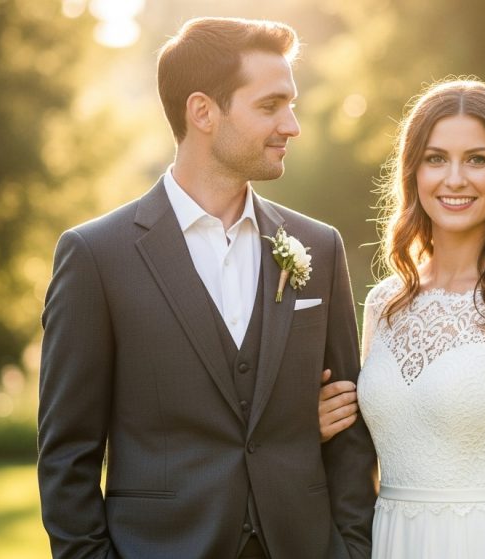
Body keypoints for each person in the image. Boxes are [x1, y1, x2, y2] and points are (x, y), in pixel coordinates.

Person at [38, 17, 377, 559]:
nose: (291, 125)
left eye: (290, 104)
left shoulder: (319, 244)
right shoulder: (96, 256)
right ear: (202, 112)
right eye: (269, 106)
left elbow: (350, 434)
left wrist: (351, 549)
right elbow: (67, 457)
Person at [319, 79, 485, 558]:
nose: (455, 179)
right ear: (414, 172)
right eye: (436, 158)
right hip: (390, 544)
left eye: (477, 159)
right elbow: (363, 457)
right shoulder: (385, 302)